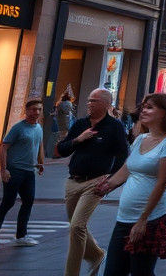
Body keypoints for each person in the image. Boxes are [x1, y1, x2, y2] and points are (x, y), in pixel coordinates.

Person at [94, 94, 166, 276]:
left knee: (141, 272)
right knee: (112, 272)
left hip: (151, 218)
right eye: (143, 106)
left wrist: (143, 219)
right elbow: (127, 168)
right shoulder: (141, 139)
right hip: (124, 217)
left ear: (164, 113)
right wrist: (107, 185)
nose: (144, 110)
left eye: (150, 107)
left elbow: (162, 183)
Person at [57, 87, 130, 276]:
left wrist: (111, 177)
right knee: (76, 226)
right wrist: (78, 139)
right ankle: (97, 255)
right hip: (73, 181)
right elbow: (62, 150)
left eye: (94, 101)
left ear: (106, 104)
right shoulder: (80, 124)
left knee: (77, 226)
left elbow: (123, 155)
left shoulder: (114, 127)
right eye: (89, 100)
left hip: (95, 183)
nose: (89, 104)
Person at [0, 98, 45, 251]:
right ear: (27, 111)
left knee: (28, 201)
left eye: (39, 109)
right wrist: (3, 170)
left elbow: (39, 145)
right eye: (33, 109)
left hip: (29, 172)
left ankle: (21, 236)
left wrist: (40, 162)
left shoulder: (39, 127)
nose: (36, 112)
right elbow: (3, 148)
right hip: (14, 171)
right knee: (8, 203)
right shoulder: (18, 128)